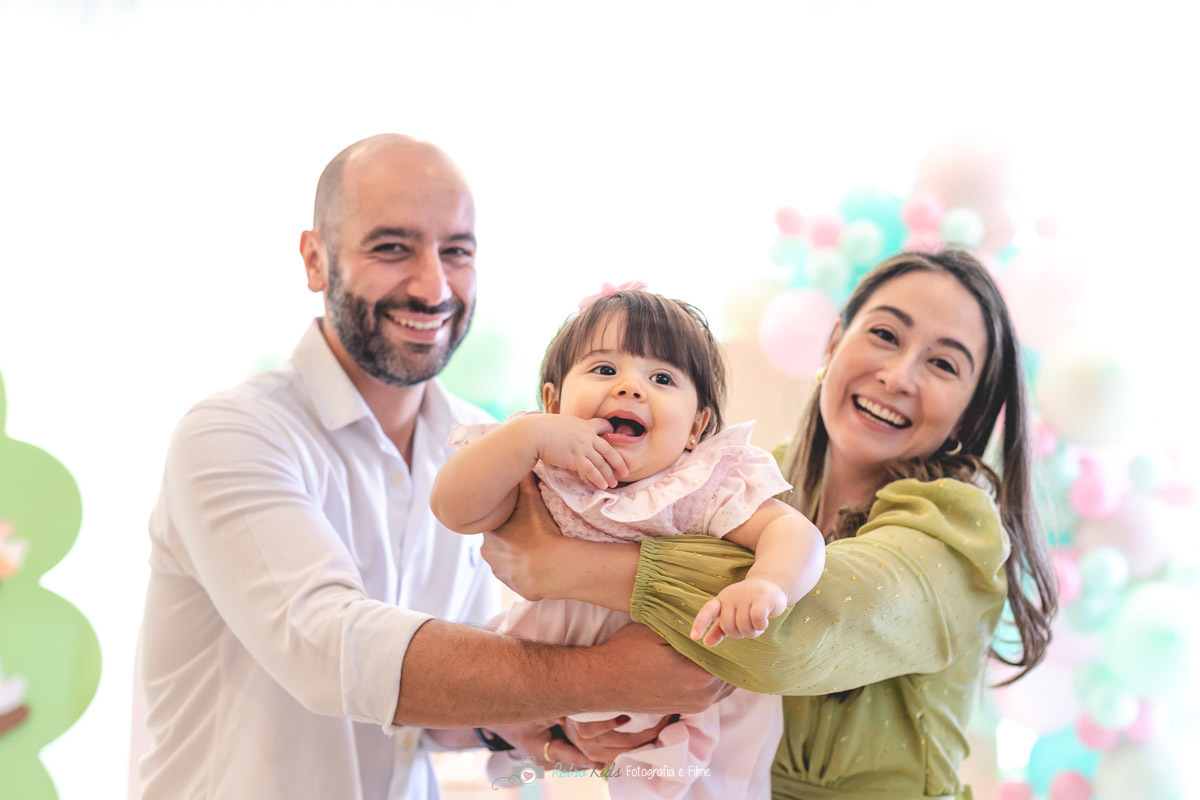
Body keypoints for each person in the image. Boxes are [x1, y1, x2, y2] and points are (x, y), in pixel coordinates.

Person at [134, 134, 729, 800]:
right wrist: (607, 677)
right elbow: (328, 650)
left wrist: (522, 727)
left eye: (457, 252)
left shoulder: (481, 451)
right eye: (392, 247)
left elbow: (447, 683)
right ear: (315, 259)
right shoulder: (232, 434)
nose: (433, 287)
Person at [477, 250, 1058, 799]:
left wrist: (562, 565)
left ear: (972, 410)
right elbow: (651, 661)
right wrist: (591, 725)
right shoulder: (739, 484)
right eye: (885, 334)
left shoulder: (957, 526)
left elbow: (792, 633)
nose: (899, 376)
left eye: (943, 364)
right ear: (835, 340)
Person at [431, 286, 826, 798]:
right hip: (556, 688)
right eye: (604, 369)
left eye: (661, 379)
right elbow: (452, 507)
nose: (630, 388)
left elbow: (793, 532)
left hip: (683, 702)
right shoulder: (542, 471)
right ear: (553, 402)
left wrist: (768, 584)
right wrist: (528, 437)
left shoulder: (697, 486)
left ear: (696, 428)